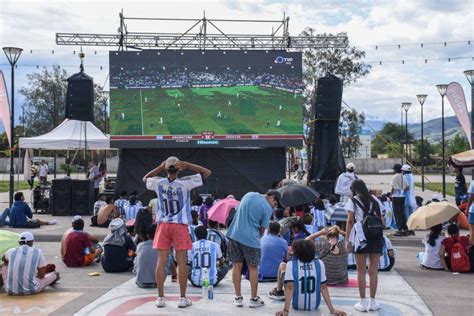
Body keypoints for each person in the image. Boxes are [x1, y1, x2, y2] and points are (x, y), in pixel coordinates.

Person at [143, 156, 210, 309]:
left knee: (161, 261)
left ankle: (160, 298)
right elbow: (207, 173)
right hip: (180, 226)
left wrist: (159, 168)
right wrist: (189, 164)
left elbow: (145, 178)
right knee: (181, 263)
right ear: (179, 168)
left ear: (166, 169)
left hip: (164, 225)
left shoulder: (158, 183)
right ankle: (182, 298)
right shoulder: (185, 183)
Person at [226, 190, 281, 308]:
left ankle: (238, 298)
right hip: (251, 239)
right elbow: (262, 229)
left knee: (237, 266)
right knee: (253, 268)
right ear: (272, 197)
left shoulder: (248, 195)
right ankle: (253, 299)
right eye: (275, 204)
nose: (274, 206)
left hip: (234, 234)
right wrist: (257, 238)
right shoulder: (267, 208)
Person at [272, 240, 346, 315]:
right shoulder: (319, 263)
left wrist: (285, 310)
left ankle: (279, 291)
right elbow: (323, 287)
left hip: (297, 305)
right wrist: (332, 310)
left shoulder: (291, 264)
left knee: (282, 265)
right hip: (315, 305)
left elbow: (290, 288)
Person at [345, 179, 384, 312]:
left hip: (360, 237)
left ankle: (362, 302)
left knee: (360, 271)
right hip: (376, 237)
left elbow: (350, 221)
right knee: (373, 271)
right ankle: (373, 302)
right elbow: (382, 220)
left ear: (353, 190)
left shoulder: (353, 201)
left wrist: (347, 240)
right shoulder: (375, 200)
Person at [134, 222, 160, 288]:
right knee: (166, 258)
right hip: (157, 283)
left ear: (147, 235)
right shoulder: (161, 247)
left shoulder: (140, 245)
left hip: (140, 282)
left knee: (136, 258)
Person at [390, 163, 408, 236]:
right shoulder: (404, 177)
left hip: (395, 197)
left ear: (395, 169)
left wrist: (391, 194)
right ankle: (405, 227)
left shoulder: (394, 177)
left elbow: (393, 188)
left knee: (397, 213)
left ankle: (399, 229)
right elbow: (407, 187)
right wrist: (402, 190)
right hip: (402, 196)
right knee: (402, 212)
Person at [402, 164, 416, 235]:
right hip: (412, 198)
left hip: (406, 198)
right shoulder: (412, 176)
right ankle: (412, 229)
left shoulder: (404, 177)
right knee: (411, 215)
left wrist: (401, 190)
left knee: (406, 214)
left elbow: (406, 187)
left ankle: (408, 229)